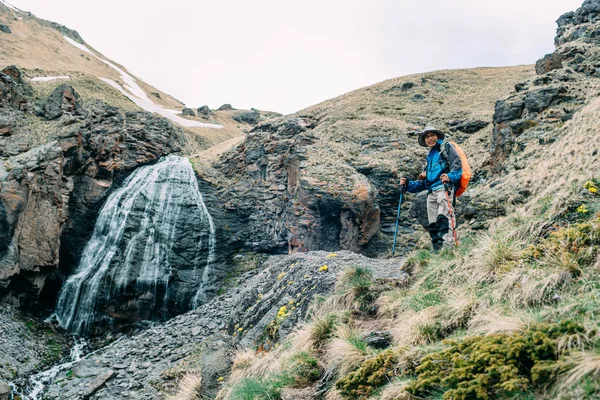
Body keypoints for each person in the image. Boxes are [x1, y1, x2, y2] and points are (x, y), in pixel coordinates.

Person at [400, 126, 462, 251]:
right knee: (433, 223)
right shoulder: (430, 157)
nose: (430, 139)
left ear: (437, 136)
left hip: (444, 188)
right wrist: (407, 184)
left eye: (432, 135)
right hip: (431, 192)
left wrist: (449, 176)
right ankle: (438, 252)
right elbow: (424, 183)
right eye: (427, 137)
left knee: (445, 217)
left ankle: (448, 250)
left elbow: (457, 166)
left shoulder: (446, 147)